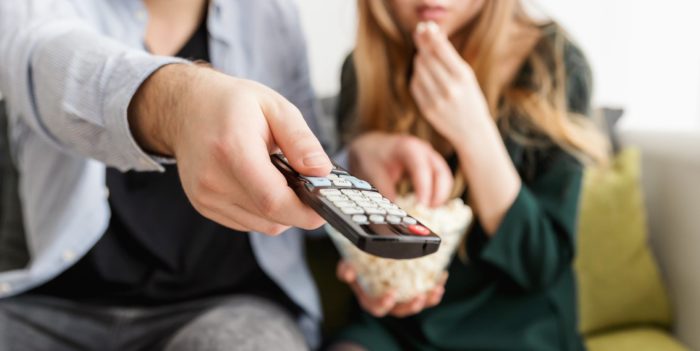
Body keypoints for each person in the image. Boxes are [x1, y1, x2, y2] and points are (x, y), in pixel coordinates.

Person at [0, 0, 338, 350]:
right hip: (56, 310)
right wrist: (179, 105)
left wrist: (362, 152)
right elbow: (47, 57)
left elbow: (310, 157)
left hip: (229, 309)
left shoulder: (272, 14)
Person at [330, 0, 609, 350]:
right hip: (396, 327)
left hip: (516, 327)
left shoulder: (552, 63)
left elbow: (540, 263)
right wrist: (358, 154)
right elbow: (363, 241)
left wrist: (475, 133)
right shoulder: (363, 70)